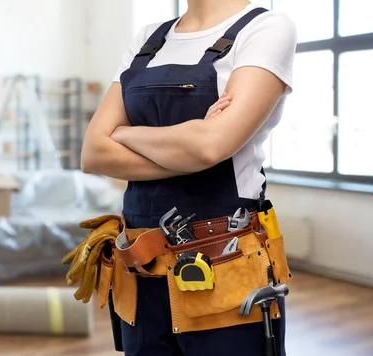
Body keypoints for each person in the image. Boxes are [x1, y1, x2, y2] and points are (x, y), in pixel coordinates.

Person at [79, 0, 297, 355]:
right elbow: (92, 153)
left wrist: (124, 134)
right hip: (141, 270)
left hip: (226, 268)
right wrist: (193, 142)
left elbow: (210, 148)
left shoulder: (265, 28)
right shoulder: (150, 38)